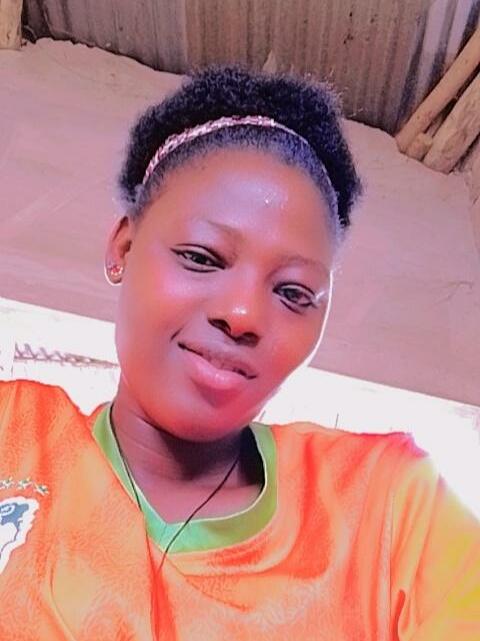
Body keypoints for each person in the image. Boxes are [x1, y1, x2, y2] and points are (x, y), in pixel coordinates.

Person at [0, 66, 478, 641]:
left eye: (293, 293)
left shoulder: (389, 511)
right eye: (201, 257)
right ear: (123, 248)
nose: (244, 315)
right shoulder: (12, 432)